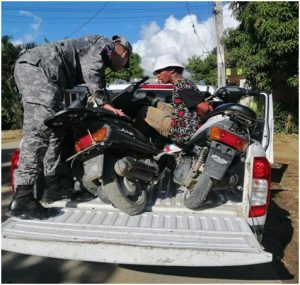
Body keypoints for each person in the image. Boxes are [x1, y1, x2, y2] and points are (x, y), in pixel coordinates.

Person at [8, 35, 132, 220]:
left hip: (48, 76)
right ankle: (23, 198)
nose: (123, 67)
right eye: (126, 63)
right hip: (40, 71)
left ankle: (54, 187)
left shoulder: (97, 50)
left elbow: (92, 77)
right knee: (38, 133)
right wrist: (104, 103)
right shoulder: (105, 45)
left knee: (56, 130)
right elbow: (92, 70)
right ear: (124, 53)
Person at [140, 54, 209, 147]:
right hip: (188, 130)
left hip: (184, 134)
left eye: (159, 71)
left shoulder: (181, 85)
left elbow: (205, 109)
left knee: (144, 110)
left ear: (172, 70)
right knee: (159, 104)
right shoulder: (186, 83)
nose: (158, 76)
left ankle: (140, 144)